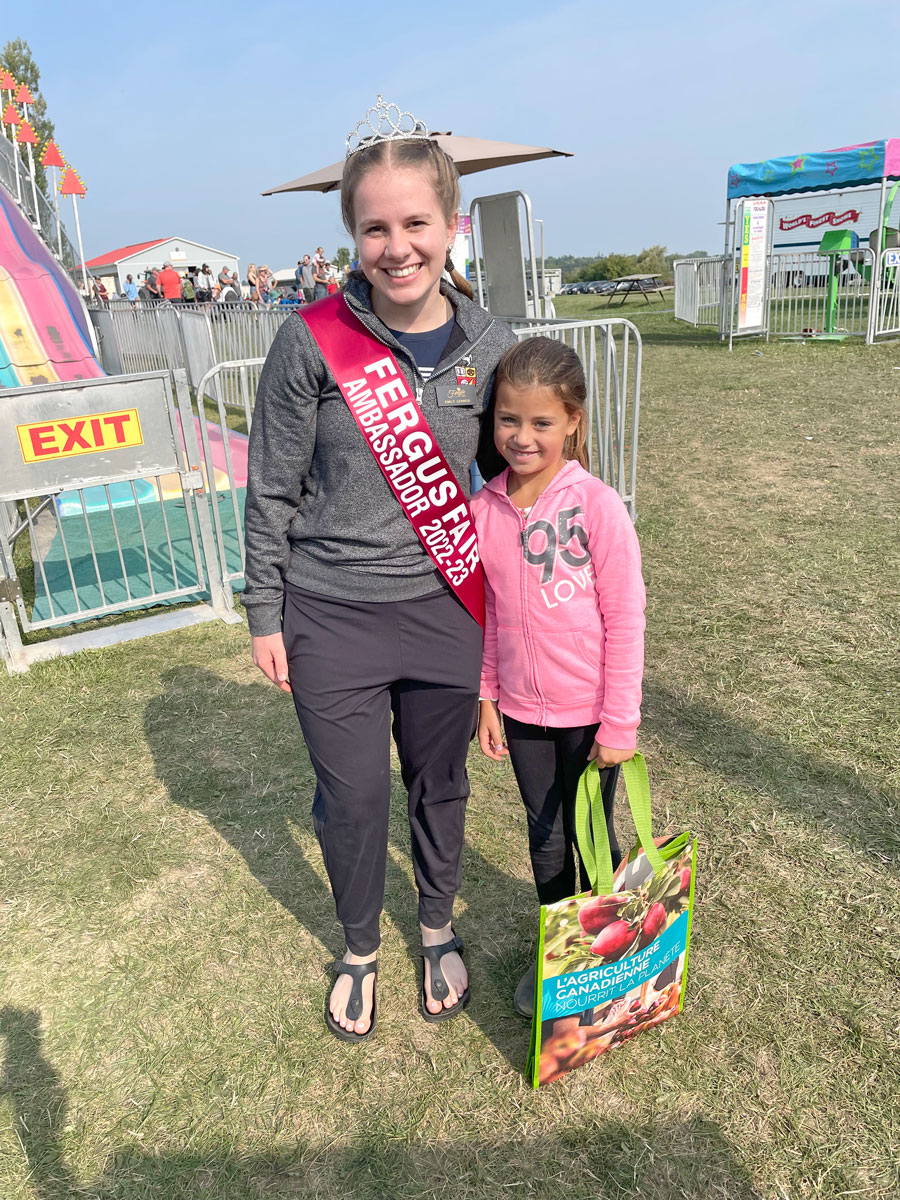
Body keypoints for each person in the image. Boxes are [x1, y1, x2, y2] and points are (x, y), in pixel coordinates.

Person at [243, 97, 517, 1043]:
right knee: (353, 798)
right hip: (331, 615)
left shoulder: (492, 347)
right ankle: (360, 945)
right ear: (351, 235)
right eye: (375, 229)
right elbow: (271, 487)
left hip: (448, 611)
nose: (397, 248)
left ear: (451, 224)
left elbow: (515, 488)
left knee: (441, 783)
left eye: (415, 224)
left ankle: (435, 926)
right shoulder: (310, 338)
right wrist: (265, 612)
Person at [473, 337, 646, 1018]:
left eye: (541, 422)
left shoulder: (597, 506)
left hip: (589, 717)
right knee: (544, 835)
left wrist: (619, 723)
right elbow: (489, 612)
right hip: (522, 713)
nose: (522, 437)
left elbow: (625, 618)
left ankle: (609, 963)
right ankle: (560, 956)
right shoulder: (484, 508)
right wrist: (488, 696)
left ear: (572, 421)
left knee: (590, 837)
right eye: (508, 420)